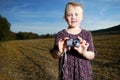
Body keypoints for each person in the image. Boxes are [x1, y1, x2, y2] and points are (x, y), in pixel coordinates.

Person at [50, 1, 96, 80]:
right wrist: (60, 51)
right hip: (66, 74)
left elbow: (92, 55)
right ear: (65, 17)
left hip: (84, 74)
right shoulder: (60, 35)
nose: (73, 17)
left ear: (82, 17)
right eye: (69, 15)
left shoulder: (87, 34)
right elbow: (54, 55)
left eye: (76, 14)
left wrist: (84, 52)